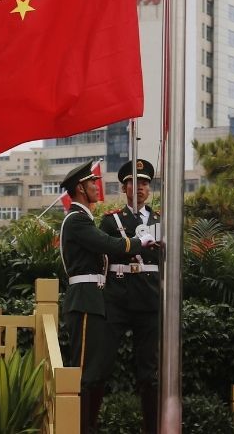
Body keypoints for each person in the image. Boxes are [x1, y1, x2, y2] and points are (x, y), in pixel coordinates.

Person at [58, 160, 156, 434]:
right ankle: (79, 427)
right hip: (86, 297)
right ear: (80, 188)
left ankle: (86, 426)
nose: (96, 186)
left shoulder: (83, 218)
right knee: (86, 370)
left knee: (93, 368)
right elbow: (109, 245)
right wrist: (141, 242)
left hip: (97, 296)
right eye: (91, 183)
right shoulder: (77, 220)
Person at [99, 159, 162, 434]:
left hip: (148, 298)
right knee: (101, 364)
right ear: (124, 187)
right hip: (119, 295)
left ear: (149, 189)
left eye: (145, 184)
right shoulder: (111, 220)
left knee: (149, 371)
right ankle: (89, 425)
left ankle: (152, 428)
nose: (139, 189)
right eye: (133, 184)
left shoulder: (161, 221)